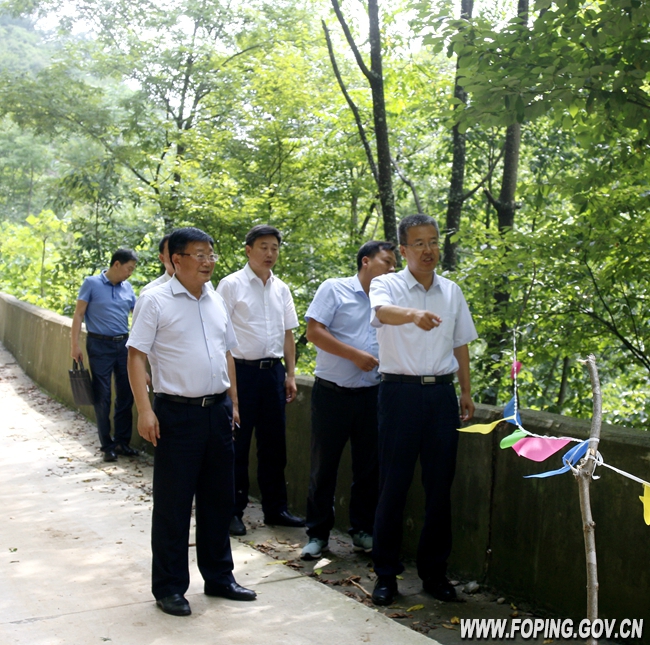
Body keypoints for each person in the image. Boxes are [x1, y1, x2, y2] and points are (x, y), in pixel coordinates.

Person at [126, 227, 256, 617]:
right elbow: (135, 356)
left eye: (211, 254)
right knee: (174, 504)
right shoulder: (155, 300)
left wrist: (231, 400)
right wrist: (144, 409)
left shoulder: (215, 299)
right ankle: (169, 586)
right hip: (176, 414)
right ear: (175, 259)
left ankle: (219, 577)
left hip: (216, 411)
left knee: (219, 499)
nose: (208, 261)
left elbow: (226, 352)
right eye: (199, 254)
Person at [368, 214, 478, 606]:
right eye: (419, 243)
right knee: (393, 486)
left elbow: (461, 341)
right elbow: (382, 312)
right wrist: (413, 314)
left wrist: (465, 390)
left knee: (439, 488)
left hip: (441, 398)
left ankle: (435, 574)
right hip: (400, 395)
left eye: (433, 242)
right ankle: (385, 576)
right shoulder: (388, 283)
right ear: (403, 249)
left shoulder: (451, 291)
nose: (429, 250)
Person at [300, 241, 397, 561]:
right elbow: (313, 332)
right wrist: (354, 355)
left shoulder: (390, 302)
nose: (393, 269)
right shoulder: (335, 289)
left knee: (369, 468)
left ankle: (361, 530)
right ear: (366, 261)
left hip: (373, 395)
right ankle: (317, 533)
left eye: (395, 264)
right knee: (323, 466)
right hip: (332, 394)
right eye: (387, 262)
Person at [216, 225, 304, 536]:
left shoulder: (281, 288)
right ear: (248, 250)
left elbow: (288, 333)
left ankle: (276, 509)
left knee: (274, 444)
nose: (270, 253)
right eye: (263, 247)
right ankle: (232, 511)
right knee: (237, 444)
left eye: (275, 248)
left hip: (273, 373)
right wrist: (230, 387)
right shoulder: (231, 285)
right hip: (241, 372)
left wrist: (290, 373)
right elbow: (218, 336)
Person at [70, 248, 139, 462]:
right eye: (128, 268)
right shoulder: (92, 283)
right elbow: (79, 314)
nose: (130, 273)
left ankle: (122, 441)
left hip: (124, 345)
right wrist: (75, 345)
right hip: (99, 344)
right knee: (103, 395)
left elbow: (137, 315)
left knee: (126, 393)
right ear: (116, 264)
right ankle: (106, 444)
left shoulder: (127, 288)